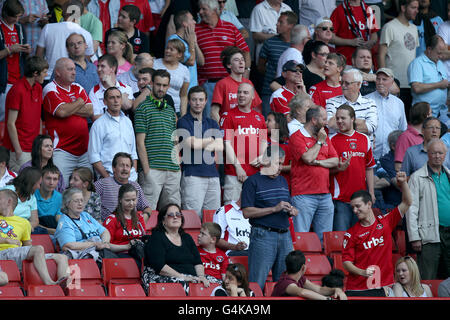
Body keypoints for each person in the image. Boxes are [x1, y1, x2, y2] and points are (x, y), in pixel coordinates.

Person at [342, 171, 412, 296]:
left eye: (358, 206)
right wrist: (363, 272)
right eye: (352, 208)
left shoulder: (385, 221)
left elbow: (407, 202)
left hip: (382, 286)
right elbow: (346, 263)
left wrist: (404, 183)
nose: (355, 211)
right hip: (359, 289)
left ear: (369, 204)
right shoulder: (351, 234)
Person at [241, 146, 298, 291]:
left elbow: (287, 205)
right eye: (277, 163)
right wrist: (274, 209)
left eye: (281, 163)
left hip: (284, 235)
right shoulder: (251, 182)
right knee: (257, 283)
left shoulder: (283, 181)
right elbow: (246, 212)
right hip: (263, 235)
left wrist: (292, 210)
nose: (280, 167)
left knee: (284, 283)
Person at [141, 203, 219, 293]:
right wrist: (183, 277)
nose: (175, 217)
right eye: (171, 215)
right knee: (189, 288)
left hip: (189, 276)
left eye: (178, 214)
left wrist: (201, 277)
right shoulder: (156, 237)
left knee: (218, 285)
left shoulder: (187, 237)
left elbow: (197, 262)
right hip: (164, 277)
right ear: (163, 221)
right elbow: (160, 267)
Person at [0, 188, 70, 286]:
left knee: (62, 257)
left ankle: (64, 286)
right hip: (2, 253)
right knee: (38, 249)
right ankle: (49, 283)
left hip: (15, 254)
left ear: (9, 201)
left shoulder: (24, 222)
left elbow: (27, 246)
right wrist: (7, 240)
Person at [290, 106, 338, 243]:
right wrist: (319, 142)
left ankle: (324, 264)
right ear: (313, 120)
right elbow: (307, 158)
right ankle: (301, 264)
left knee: (325, 240)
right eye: (323, 119)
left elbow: (335, 160)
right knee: (301, 238)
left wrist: (318, 163)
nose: (326, 122)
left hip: (325, 194)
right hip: (303, 195)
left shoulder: (324, 136)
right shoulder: (297, 137)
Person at [42, 57, 93, 185]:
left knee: (87, 187)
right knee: (60, 187)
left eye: (74, 69)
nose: (74, 72)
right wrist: (79, 102)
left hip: (84, 150)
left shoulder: (78, 87)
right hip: (62, 151)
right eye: (70, 69)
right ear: (58, 72)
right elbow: (61, 112)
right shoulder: (50, 88)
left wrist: (69, 106)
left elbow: (90, 111)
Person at [135, 69, 181, 211]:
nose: (161, 88)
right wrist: (147, 171)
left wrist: (178, 165)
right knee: (148, 213)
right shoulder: (142, 108)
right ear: (152, 84)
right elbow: (140, 142)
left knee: (172, 213)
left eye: (164, 85)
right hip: (152, 169)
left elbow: (175, 140)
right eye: (158, 84)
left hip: (173, 171)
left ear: (168, 87)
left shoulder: (170, 110)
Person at [196, 0, 250, 119]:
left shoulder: (230, 28)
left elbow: (245, 51)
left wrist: (245, 76)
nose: (200, 12)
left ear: (214, 10)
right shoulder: (195, 30)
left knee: (233, 119)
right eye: (199, 9)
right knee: (211, 121)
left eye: (204, 9)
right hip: (208, 84)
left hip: (231, 83)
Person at [406, 139, 450, 280]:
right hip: (429, 235)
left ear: (445, 154)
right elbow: (411, 209)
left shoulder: (449, 175)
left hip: (449, 233)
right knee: (428, 278)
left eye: (440, 153)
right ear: (428, 154)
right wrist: (414, 237)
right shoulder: (417, 177)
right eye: (433, 153)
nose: (437, 156)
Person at [177, 86, 222, 220]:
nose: (198, 103)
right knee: (192, 218)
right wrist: (211, 139)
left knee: (213, 219)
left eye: (201, 100)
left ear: (206, 101)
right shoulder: (183, 121)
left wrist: (201, 142)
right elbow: (193, 144)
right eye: (194, 100)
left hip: (213, 176)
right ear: (189, 101)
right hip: (192, 175)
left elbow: (219, 145)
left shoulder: (212, 122)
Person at [330, 104, 376, 232]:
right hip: (340, 199)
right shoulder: (331, 140)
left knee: (360, 238)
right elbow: (326, 170)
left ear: (352, 119)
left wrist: (371, 192)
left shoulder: (364, 139)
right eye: (337, 118)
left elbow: (369, 168)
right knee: (341, 239)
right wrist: (339, 168)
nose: (339, 121)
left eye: (343, 118)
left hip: (361, 199)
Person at [221, 82, 268, 205]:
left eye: (245, 93)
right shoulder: (228, 116)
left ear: (253, 96)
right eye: (239, 92)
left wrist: (262, 156)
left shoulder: (260, 118)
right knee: (231, 211)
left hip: (256, 174)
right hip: (234, 173)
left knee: (253, 211)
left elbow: (264, 141)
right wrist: (238, 167)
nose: (241, 95)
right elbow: (227, 144)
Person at [3, 56, 48, 172]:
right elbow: (10, 123)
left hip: (33, 147)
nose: (46, 75)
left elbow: (38, 117)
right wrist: (18, 150)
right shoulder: (17, 90)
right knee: (22, 185)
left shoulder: (38, 88)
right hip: (20, 149)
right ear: (35, 73)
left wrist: (38, 144)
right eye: (44, 72)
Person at [55, 187, 120, 262]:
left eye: (82, 200)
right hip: (83, 258)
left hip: (100, 251)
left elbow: (104, 231)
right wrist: (95, 244)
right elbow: (68, 245)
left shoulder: (85, 215)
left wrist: (104, 243)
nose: (80, 203)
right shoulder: (65, 221)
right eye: (76, 201)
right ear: (67, 203)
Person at [36, 0, 94, 81]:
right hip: (75, 79)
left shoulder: (48, 28)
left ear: (64, 12)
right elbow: (85, 61)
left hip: (48, 77)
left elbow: (38, 56)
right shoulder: (86, 34)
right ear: (80, 14)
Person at [88, 86, 138, 181]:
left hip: (130, 178)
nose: (116, 100)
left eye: (118, 97)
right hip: (109, 177)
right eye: (112, 98)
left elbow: (133, 152)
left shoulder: (128, 122)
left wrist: (133, 173)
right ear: (105, 102)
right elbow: (94, 157)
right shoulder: (98, 124)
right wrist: (108, 179)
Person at [378, 0, 419, 113]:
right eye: (413, 7)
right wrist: (386, 80)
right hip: (395, 83)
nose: (416, 11)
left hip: (412, 84)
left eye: (417, 8)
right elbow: (381, 55)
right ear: (403, 7)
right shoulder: (389, 27)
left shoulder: (414, 28)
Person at [257, 11, 297, 117]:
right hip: (269, 92)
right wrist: (271, 77)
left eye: (281, 22)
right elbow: (260, 66)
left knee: (286, 126)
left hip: (290, 93)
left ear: (290, 25)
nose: (277, 24)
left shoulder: (296, 44)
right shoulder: (269, 43)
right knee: (270, 127)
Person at [94, 152, 151, 222]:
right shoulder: (102, 184)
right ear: (113, 168)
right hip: (109, 228)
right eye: (121, 165)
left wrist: (142, 221)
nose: (125, 169)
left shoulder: (135, 186)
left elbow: (147, 207)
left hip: (130, 228)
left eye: (127, 166)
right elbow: (89, 205)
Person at [326, 68, 378, 143]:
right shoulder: (332, 102)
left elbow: (371, 127)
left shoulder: (370, 103)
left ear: (358, 84)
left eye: (347, 83)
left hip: (363, 150)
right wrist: (361, 122)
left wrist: (341, 122)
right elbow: (330, 124)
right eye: (342, 82)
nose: (343, 86)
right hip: (337, 149)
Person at [211, 46, 262, 123]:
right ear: (229, 65)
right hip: (229, 129)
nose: (241, 62)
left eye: (242, 60)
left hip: (246, 129)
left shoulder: (248, 83)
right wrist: (223, 129)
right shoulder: (222, 84)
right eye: (236, 60)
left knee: (275, 133)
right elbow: (214, 112)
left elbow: (257, 109)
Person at [366, 68, 408, 160]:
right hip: (370, 154)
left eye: (384, 79)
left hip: (392, 155)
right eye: (378, 79)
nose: (380, 82)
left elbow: (402, 129)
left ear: (392, 82)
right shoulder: (365, 100)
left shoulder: (399, 103)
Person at [271, 250, 347, 300]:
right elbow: (302, 292)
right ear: (303, 267)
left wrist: (336, 289)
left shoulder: (300, 279)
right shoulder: (286, 283)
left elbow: (319, 290)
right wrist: (328, 299)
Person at [0, 0, 31, 122]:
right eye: (16, 17)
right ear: (6, 14)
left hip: (19, 80)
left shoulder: (20, 28)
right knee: (3, 118)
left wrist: (26, 51)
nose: (18, 20)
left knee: (18, 118)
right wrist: (9, 50)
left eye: (20, 17)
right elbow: (8, 51)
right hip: (3, 83)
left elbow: (25, 58)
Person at [408, 34, 449, 124]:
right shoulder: (417, 63)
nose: (441, 56)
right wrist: (439, 84)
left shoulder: (439, 63)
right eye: (439, 53)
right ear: (429, 50)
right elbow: (416, 88)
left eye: (443, 53)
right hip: (424, 115)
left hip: (441, 113)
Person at [103, 183, 147, 266]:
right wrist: (127, 246)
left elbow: (143, 238)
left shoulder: (139, 217)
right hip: (119, 255)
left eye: (134, 200)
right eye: (127, 200)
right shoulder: (112, 219)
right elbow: (106, 245)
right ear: (120, 200)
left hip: (138, 253)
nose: (131, 203)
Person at [330, 0, 379, 67]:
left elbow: (374, 34)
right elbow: (330, 37)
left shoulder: (369, 9)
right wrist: (350, 42)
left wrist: (371, 42)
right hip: (346, 62)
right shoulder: (339, 10)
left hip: (365, 62)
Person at [89, 54, 134, 121]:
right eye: (98, 66)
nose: (98, 69)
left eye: (102, 66)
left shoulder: (126, 88)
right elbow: (95, 118)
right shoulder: (94, 91)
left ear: (113, 69)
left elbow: (127, 105)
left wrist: (111, 86)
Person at [168, 10, 204, 91]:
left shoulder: (189, 39)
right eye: (192, 20)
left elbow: (201, 62)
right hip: (181, 90)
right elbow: (190, 62)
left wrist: (195, 43)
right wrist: (191, 43)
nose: (195, 22)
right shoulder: (173, 40)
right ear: (184, 24)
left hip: (193, 88)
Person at [153, 38, 190, 116]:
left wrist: (183, 115)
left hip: (176, 110)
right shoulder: (155, 64)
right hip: (156, 106)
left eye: (171, 49)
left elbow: (183, 95)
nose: (167, 51)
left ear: (179, 54)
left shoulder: (184, 70)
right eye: (167, 48)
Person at [394, 102, 432, 171]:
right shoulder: (405, 137)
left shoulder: (428, 135)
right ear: (426, 116)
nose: (433, 117)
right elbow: (398, 167)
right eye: (431, 113)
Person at [2, 167, 41, 233]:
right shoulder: (7, 192)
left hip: (24, 229)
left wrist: (26, 226)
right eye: (38, 184)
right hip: (7, 229)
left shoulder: (32, 197)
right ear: (30, 183)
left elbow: (35, 220)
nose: (39, 187)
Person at [34, 166, 63, 235]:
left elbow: (59, 218)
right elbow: (30, 221)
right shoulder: (33, 195)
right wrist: (48, 230)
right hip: (36, 230)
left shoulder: (60, 197)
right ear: (41, 179)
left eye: (55, 179)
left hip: (54, 228)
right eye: (48, 178)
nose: (51, 183)